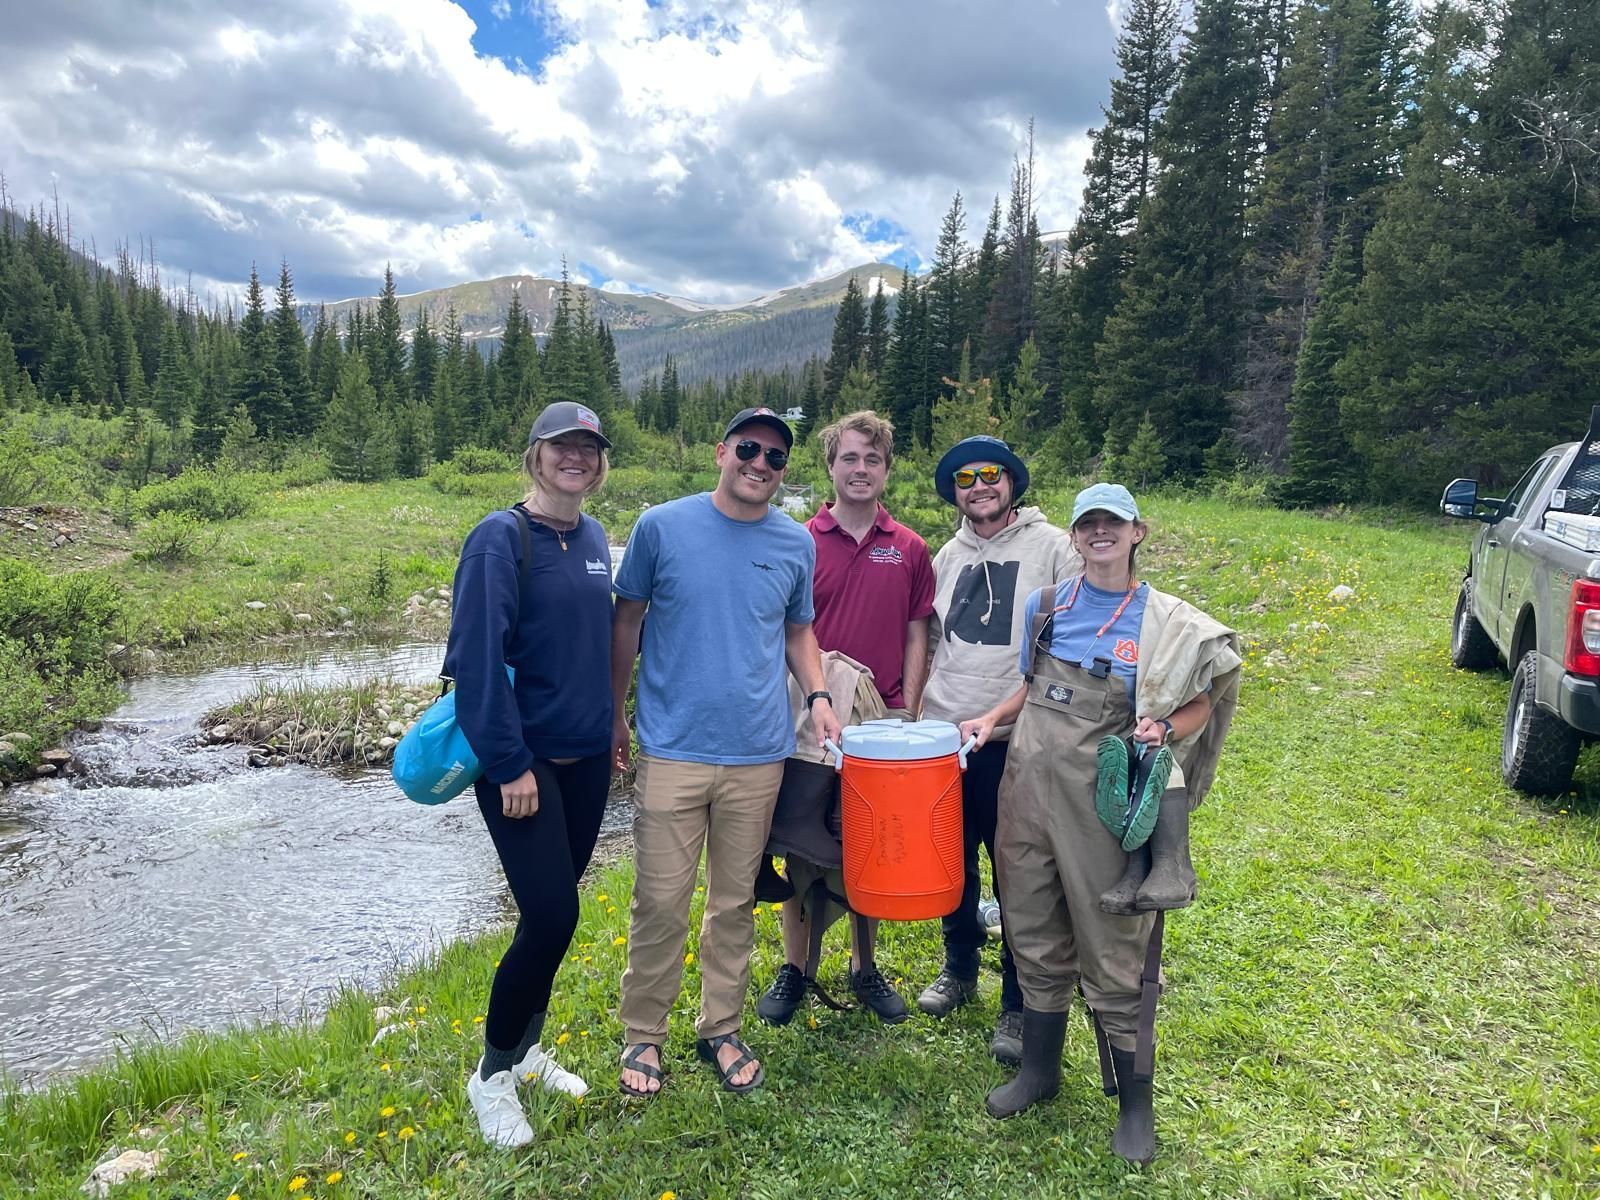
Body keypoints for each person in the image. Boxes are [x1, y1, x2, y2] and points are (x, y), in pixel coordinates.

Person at [959, 483, 1240, 1164]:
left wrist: (1167, 725)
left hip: (1100, 806)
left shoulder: (1162, 621)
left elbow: (1201, 701)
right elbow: (1033, 685)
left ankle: (1136, 1105)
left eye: (1112, 523)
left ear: (1138, 531)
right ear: (1076, 535)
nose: (1099, 535)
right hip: (1025, 792)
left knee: (1114, 947)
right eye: (1088, 525)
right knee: (1030, 927)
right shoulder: (1047, 605)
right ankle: (1040, 1071)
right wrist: (994, 718)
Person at [611, 407, 842, 1098]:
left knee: (734, 900)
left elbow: (800, 631)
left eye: (775, 457)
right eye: (749, 449)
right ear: (721, 452)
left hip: (758, 752)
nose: (760, 464)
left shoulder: (795, 543)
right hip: (672, 747)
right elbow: (627, 621)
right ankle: (643, 1035)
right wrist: (611, 715)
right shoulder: (661, 526)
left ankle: (721, 1026)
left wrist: (820, 695)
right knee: (659, 900)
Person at [444, 401, 615, 1149]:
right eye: (561, 446)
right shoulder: (498, 538)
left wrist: (613, 729)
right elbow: (474, 663)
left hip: (587, 758)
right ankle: (491, 1076)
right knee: (553, 918)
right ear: (534, 456)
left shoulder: (595, 536)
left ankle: (528, 1049)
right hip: (526, 765)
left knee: (550, 915)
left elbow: (595, 645)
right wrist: (510, 764)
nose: (575, 456)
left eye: (588, 447)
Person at [756, 410, 934, 1027]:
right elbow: (783, 629)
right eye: (849, 459)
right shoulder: (797, 540)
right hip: (808, 719)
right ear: (830, 467)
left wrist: (908, 709)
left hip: (880, 722)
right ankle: (797, 969)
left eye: (873, 460)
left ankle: (865, 966)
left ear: (887, 470)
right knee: (802, 841)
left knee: (869, 844)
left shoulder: (909, 548)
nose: (861, 470)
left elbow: (918, 635)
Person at [918, 436, 1080, 1066]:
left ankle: (1017, 1000)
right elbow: (930, 641)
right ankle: (959, 969)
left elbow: (1057, 655)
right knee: (951, 864)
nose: (979, 485)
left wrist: (997, 714)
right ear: (953, 492)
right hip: (943, 740)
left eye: (991, 474)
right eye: (965, 478)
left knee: (1020, 873)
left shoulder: (1055, 549)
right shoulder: (944, 556)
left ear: (1012, 481)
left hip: (1014, 738)